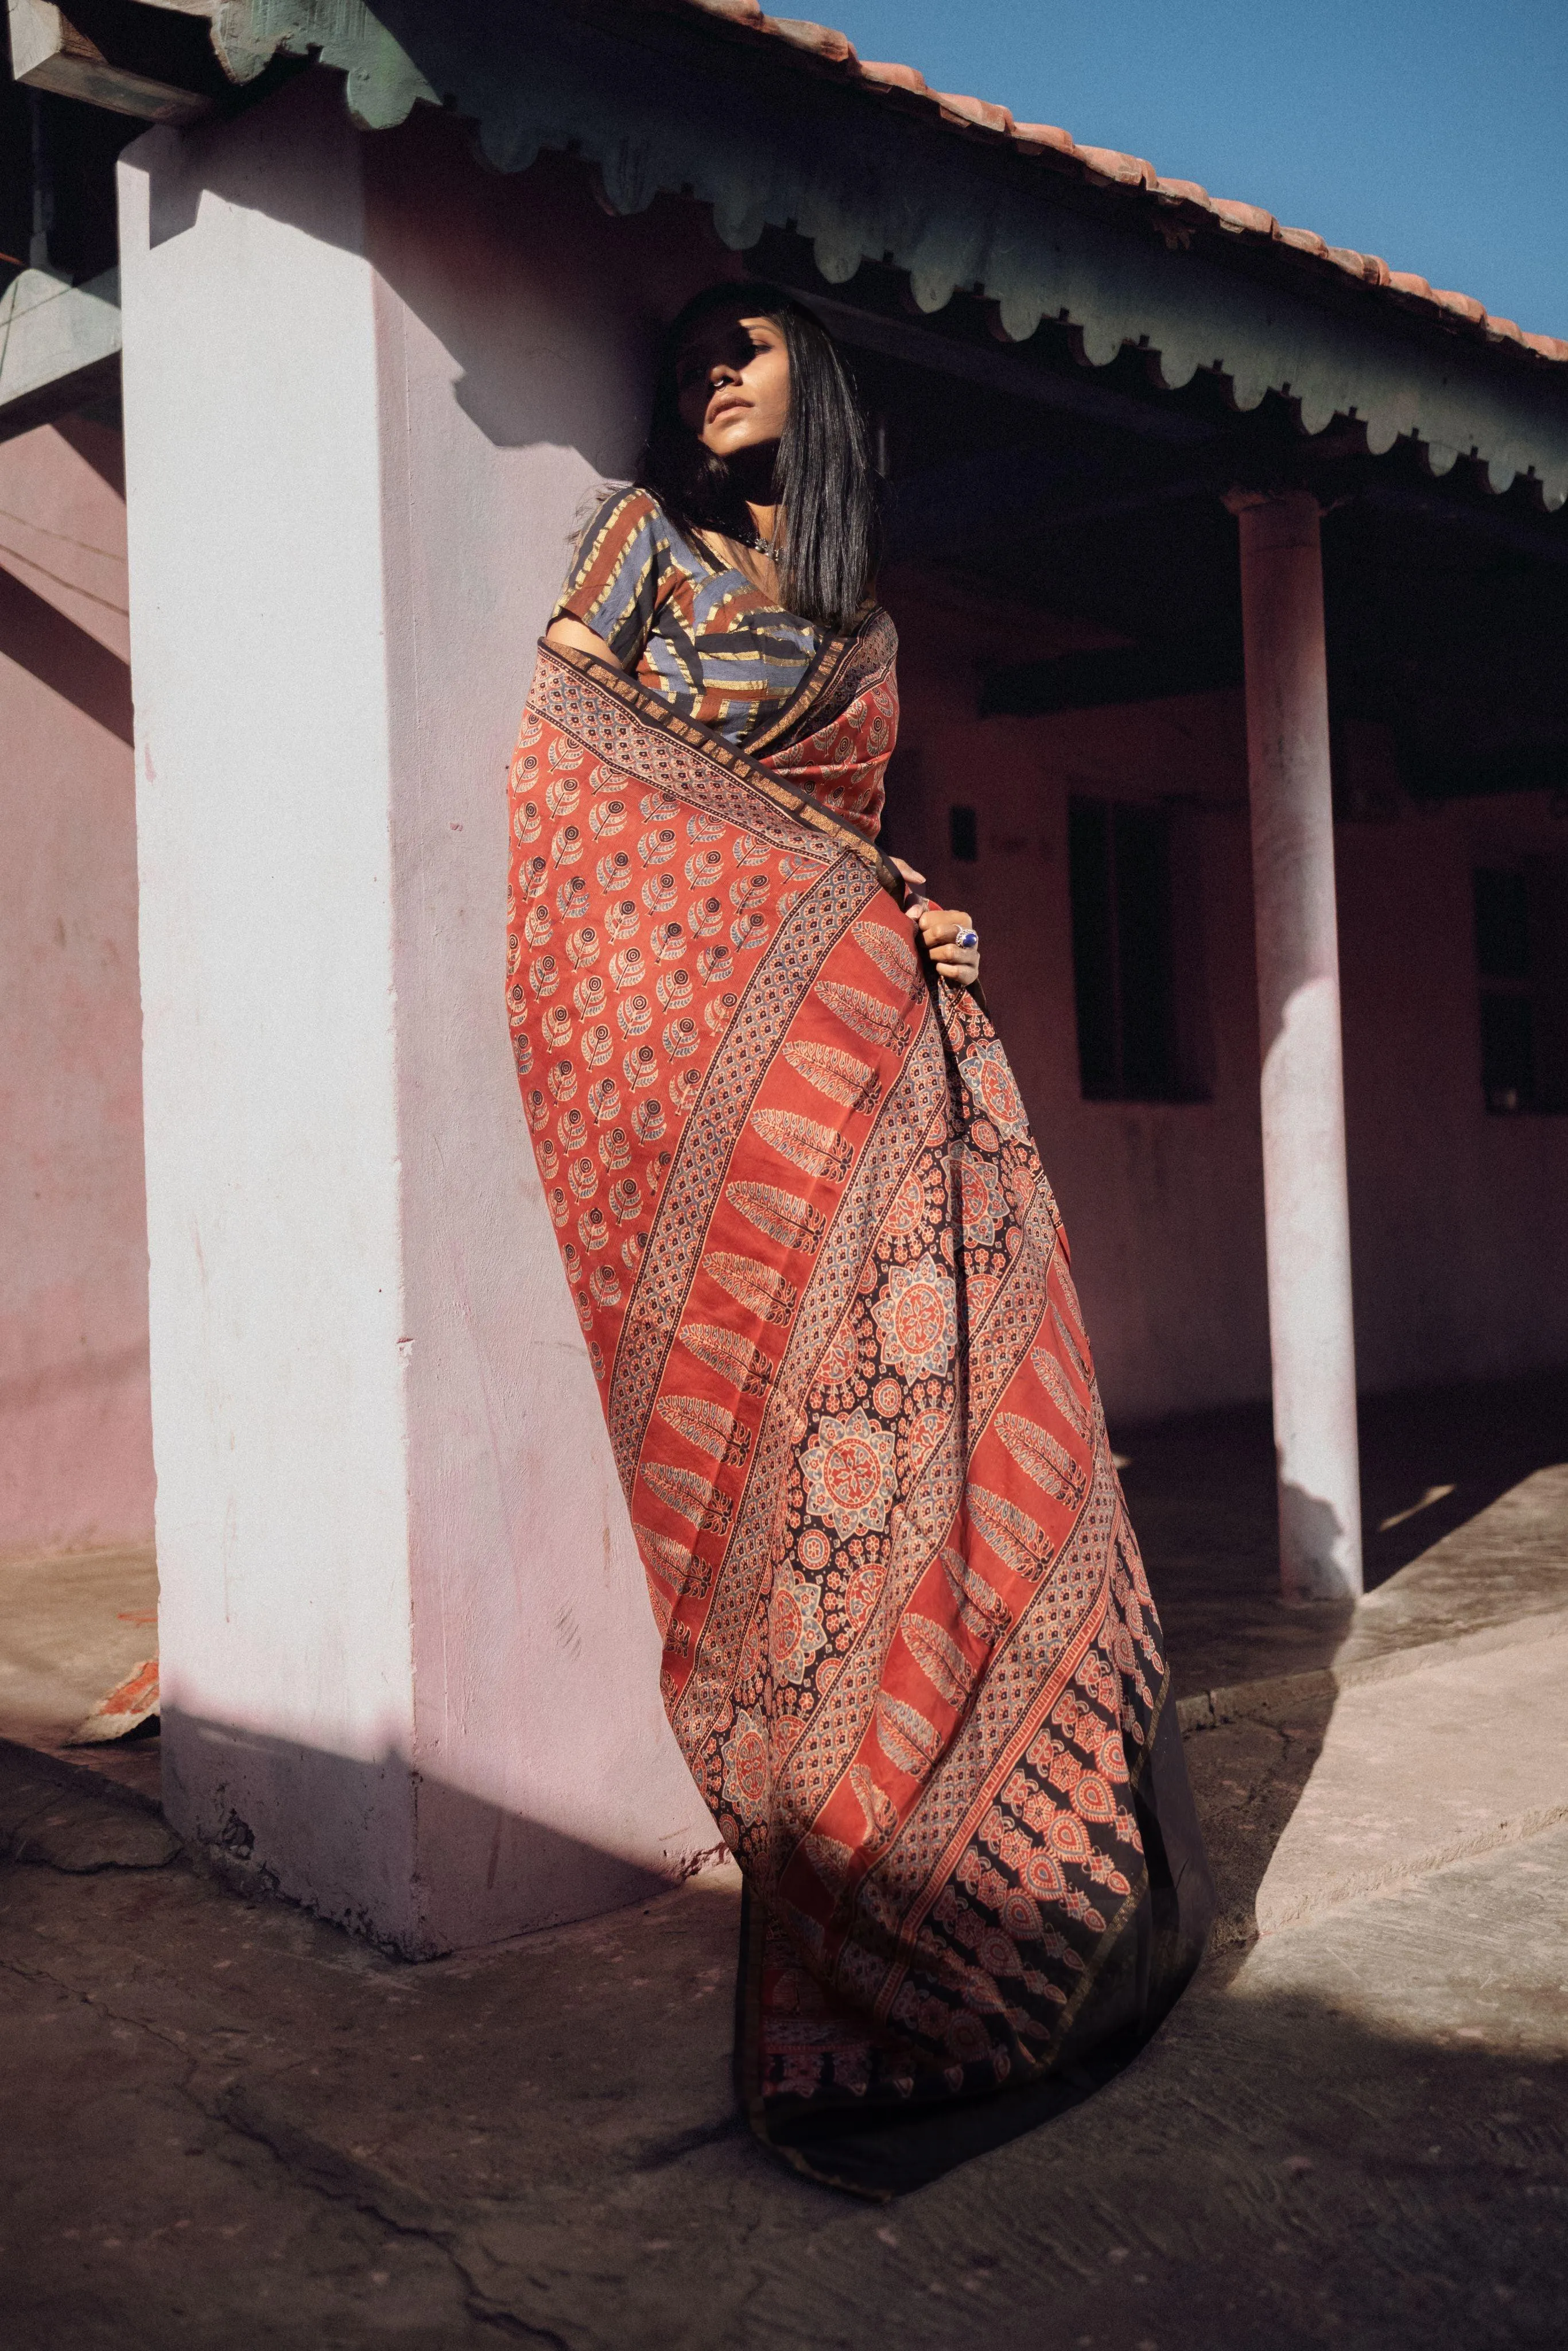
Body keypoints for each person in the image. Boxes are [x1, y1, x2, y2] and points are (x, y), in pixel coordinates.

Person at [508, 282, 1212, 2197]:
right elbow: (578, 795)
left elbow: (836, 837)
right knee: (790, 1484)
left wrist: (911, 913)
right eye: (686, 358)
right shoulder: (634, 547)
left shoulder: (865, 625)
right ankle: (857, 1911)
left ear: (825, 374)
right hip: (714, 1103)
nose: (708, 372)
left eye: (746, 340)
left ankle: (1027, 1898)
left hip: (884, 1070)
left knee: (954, 1439)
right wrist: (836, 904)